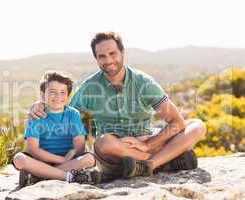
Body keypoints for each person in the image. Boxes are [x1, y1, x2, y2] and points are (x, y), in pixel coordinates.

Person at [29, 32, 206, 180]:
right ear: (96, 59)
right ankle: (167, 160)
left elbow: (177, 122)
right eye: (102, 56)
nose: (108, 60)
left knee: (197, 126)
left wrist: (149, 145)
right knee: (103, 142)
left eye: (113, 53)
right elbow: (63, 112)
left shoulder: (143, 82)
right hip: (113, 152)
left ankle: (148, 165)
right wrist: (42, 104)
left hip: (144, 143)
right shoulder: (90, 87)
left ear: (122, 52)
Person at [13, 72, 100, 188]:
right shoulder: (37, 114)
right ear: (43, 95)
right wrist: (60, 159)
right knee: (19, 159)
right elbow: (33, 149)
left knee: (89, 159)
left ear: (68, 96)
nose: (58, 96)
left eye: (63, 92)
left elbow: (79, 148)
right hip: (42, 161)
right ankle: (69, 177)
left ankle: (39, 176)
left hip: (69, 161)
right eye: (52, 92)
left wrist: (70, 155)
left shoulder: (73, 114)